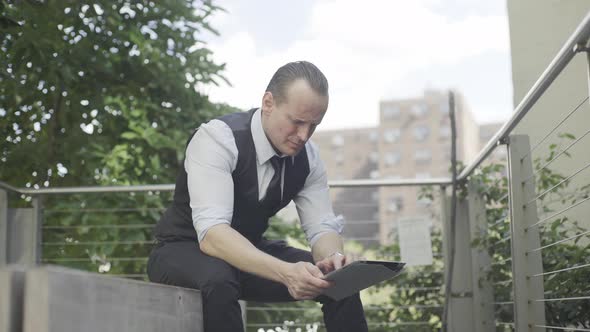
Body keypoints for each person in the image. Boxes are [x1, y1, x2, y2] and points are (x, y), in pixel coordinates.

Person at [147, 61, 368, 331]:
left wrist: (332, 257)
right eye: (297, 122)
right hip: (183, 249)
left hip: (249, 254)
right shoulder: (218, 138)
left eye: (313, 125)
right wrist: (286, 273)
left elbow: (322, 226)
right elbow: (213, 234)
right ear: (268, 103)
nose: (303, 136)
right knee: (219, 280)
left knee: (340, 280)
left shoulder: (309, 158)